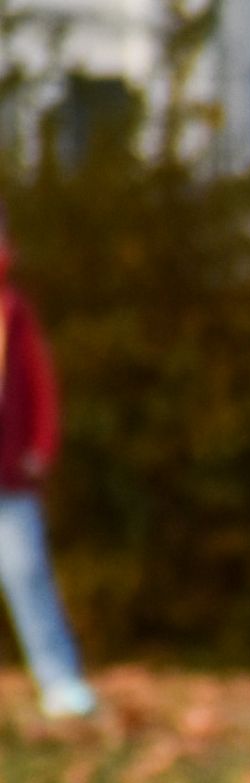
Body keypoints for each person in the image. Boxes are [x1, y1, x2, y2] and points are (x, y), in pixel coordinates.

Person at [0, 200, 92, 721]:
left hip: (10, 475)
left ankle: (58, 680)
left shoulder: (14, 313)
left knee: (27, 573)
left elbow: (41, 384)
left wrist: (41, 445)